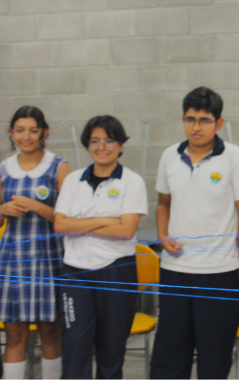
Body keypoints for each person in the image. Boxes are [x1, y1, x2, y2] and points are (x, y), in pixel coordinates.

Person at [150, 87, 239, 380]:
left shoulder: (235, 158)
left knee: (215, 358)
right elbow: (162, 203)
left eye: (204, 120)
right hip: (175, 271)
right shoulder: (169, 157)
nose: (196, 127)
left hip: (220, 272)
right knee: (170, 356)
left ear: (218, 123)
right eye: (190, 119)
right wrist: (162, 235)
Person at [53, 115, 148, 380]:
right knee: (75, 347)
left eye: (109, 140)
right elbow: (60, 225)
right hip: (75, 273)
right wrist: (107, 220)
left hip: (116, 272)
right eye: (95, 141)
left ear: (120, 145)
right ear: (87, 144)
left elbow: (126, 230)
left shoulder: (132, 182)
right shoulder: (73, 181)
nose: (101, 146)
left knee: (111, 350)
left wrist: (80, 224)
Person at [0, 106, 70, 380]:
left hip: (48, 258)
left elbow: (68, 219)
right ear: (11, 133)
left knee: (50, 331)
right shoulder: (4, 169)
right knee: (15, 333)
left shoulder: (58, 167)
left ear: (45, 132)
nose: (26, 136)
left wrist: (37, 207)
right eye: (20, 130)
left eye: (32, 130)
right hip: (12, 259)